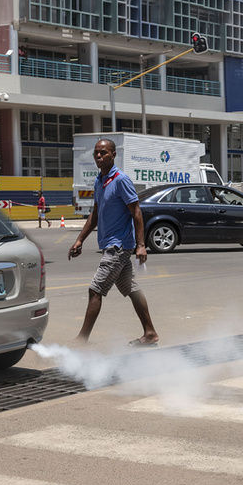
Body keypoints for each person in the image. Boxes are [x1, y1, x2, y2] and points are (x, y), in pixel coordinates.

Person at [68, 138, 159, 346]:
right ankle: (150, 333)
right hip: (110, 244)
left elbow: (136, 211)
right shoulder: (100, 180)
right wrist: (79, 239)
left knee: (95, 289)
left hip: (118, 246)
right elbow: (96, 214)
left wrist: (141, 244)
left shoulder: (120, 180)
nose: (99, 156)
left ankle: (82, 340)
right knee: (130, 287)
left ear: (113, 155)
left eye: (103, 153)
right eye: (96, 153)